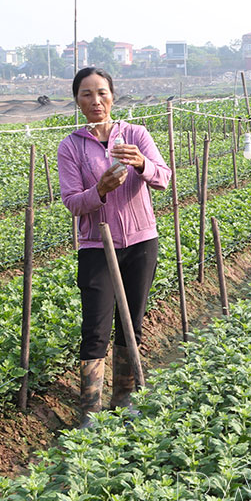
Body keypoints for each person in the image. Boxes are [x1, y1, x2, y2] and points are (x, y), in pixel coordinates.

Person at [57, 67, 172, 428]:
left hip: (140, 241)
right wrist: (101, 189)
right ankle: (90, 410)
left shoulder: (135, 134)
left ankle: (124, 398)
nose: (96, 101)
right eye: (87, 94)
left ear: (113, 96)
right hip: (96, 245)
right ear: (77, 100)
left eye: (102, 93)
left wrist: (142, 164)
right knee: (95, 326)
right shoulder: (71, 146)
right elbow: (74, 203)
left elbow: (165, 178)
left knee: (130, 322)